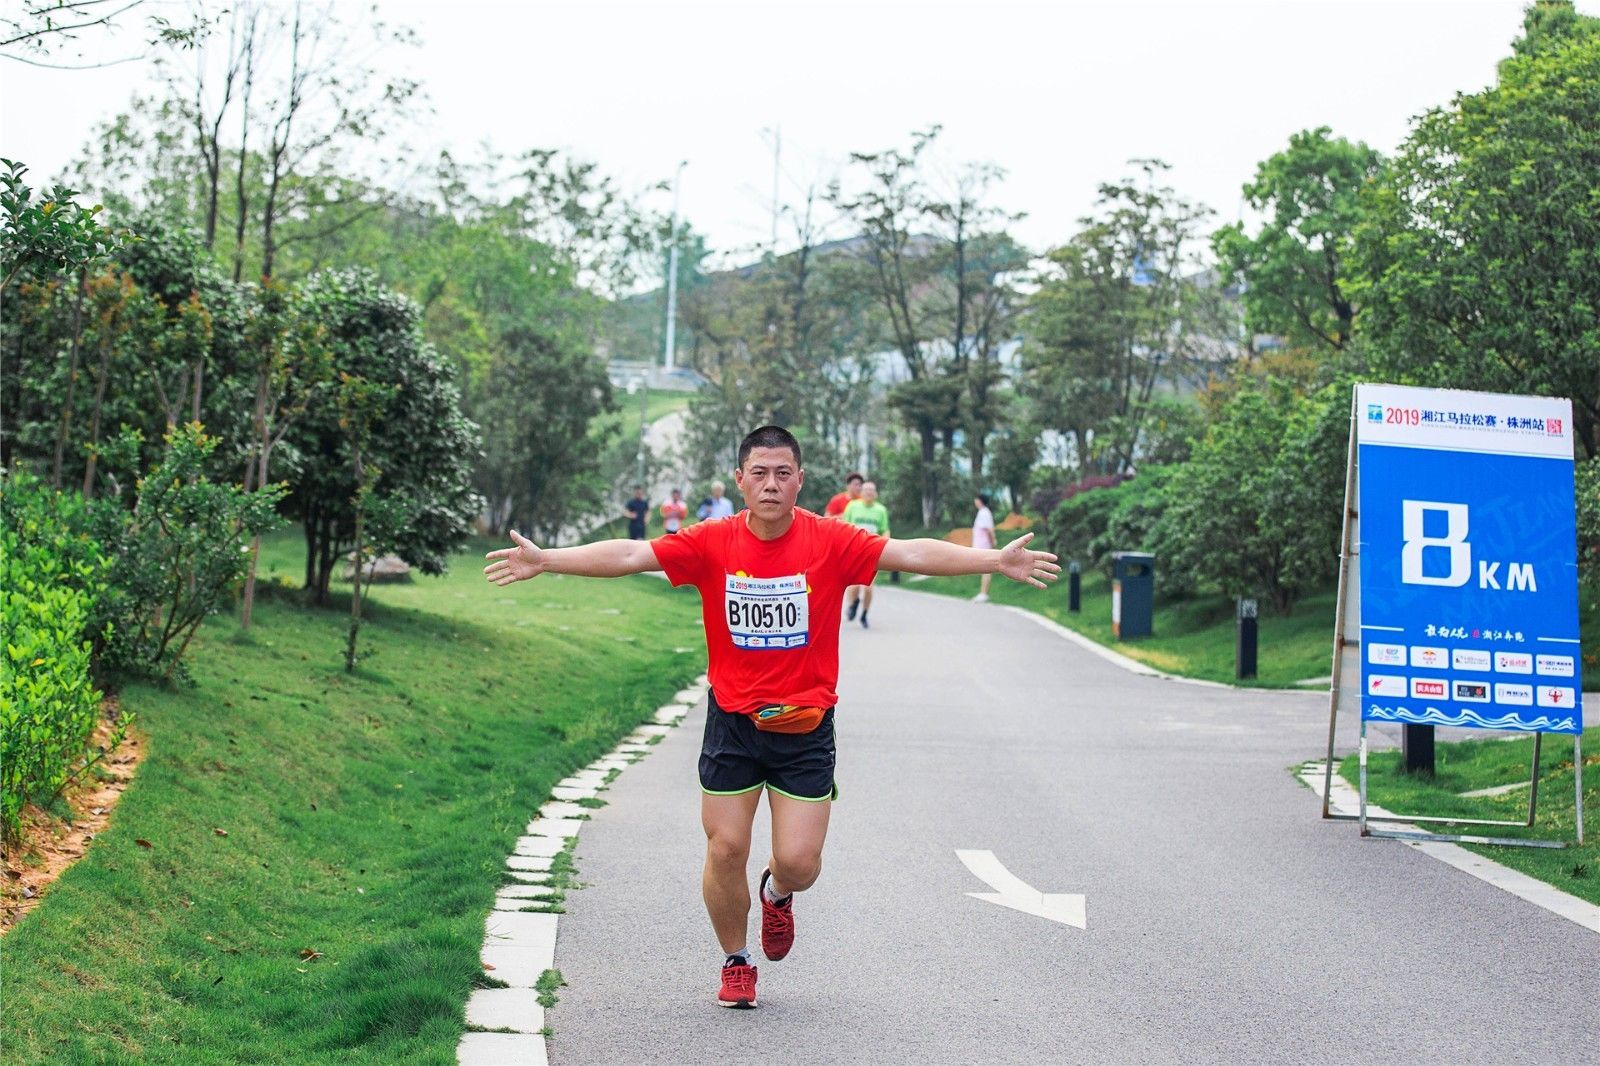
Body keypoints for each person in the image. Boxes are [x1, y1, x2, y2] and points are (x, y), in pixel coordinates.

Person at [482, 425, 1058, 1010]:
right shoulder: (712, 541)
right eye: (759, 473)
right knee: (726, 847)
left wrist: (994, 559)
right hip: (733, 721)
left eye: (783, 473)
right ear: (740, 480)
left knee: (800, 862)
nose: (772, 484)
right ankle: (736, 962)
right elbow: (633, 553)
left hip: (806, 728)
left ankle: (778, 894)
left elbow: (908, 550)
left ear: (800, 480)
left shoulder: (830, 539)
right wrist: (547, 559)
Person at [841, 481, 890, 628]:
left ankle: (864, 614)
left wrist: (885, 544)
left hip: (871, 552)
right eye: (866, 490)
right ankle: (853, 604)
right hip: (854, 551)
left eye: (871, 490)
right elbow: (843, 526)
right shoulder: (853, 506)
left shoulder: (880, 510)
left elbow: (885, 530)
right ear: (861, 492)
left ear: (875, 494)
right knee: (854, 585)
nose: (869, 493)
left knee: (868, 587)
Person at [971, 493, 996, 602]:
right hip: (980, 545)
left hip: (984, 545)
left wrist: (993, 541)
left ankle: (984, 593)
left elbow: (989, 529)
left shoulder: (984, 513)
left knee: (986, 569)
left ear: (980, 501)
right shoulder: (981, 512)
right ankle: (983, 592)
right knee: (983, 569)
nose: (975, 501)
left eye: (976, 499)